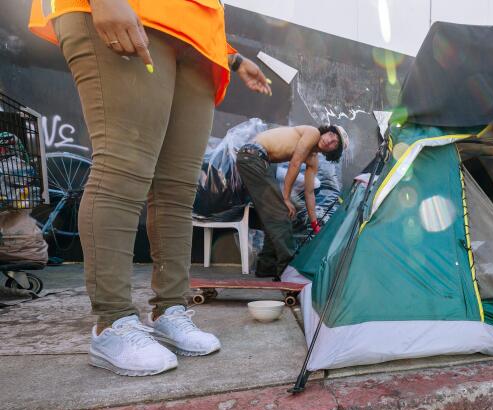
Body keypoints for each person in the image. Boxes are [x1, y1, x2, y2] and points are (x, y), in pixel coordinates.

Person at [29, 0, 271, 376]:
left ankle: (170, 309)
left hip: (199, 40)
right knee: (123, 167)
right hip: (132, 10)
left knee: (178, 189)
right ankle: (112, 322)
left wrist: (234, 59)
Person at [236, 124, 349, 278]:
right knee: (281, 213)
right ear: (325, 132)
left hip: (260, 161)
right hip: (253, 156)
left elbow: (309, 193)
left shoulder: (313, 160)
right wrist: (286, 198)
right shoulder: (313, 133)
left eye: (335, 143)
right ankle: (288, 271)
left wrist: (315, 224)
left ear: (333, 152)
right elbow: (295, 163)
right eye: (330, 135)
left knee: (276, 215)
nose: (330, 141)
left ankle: (266, 267)